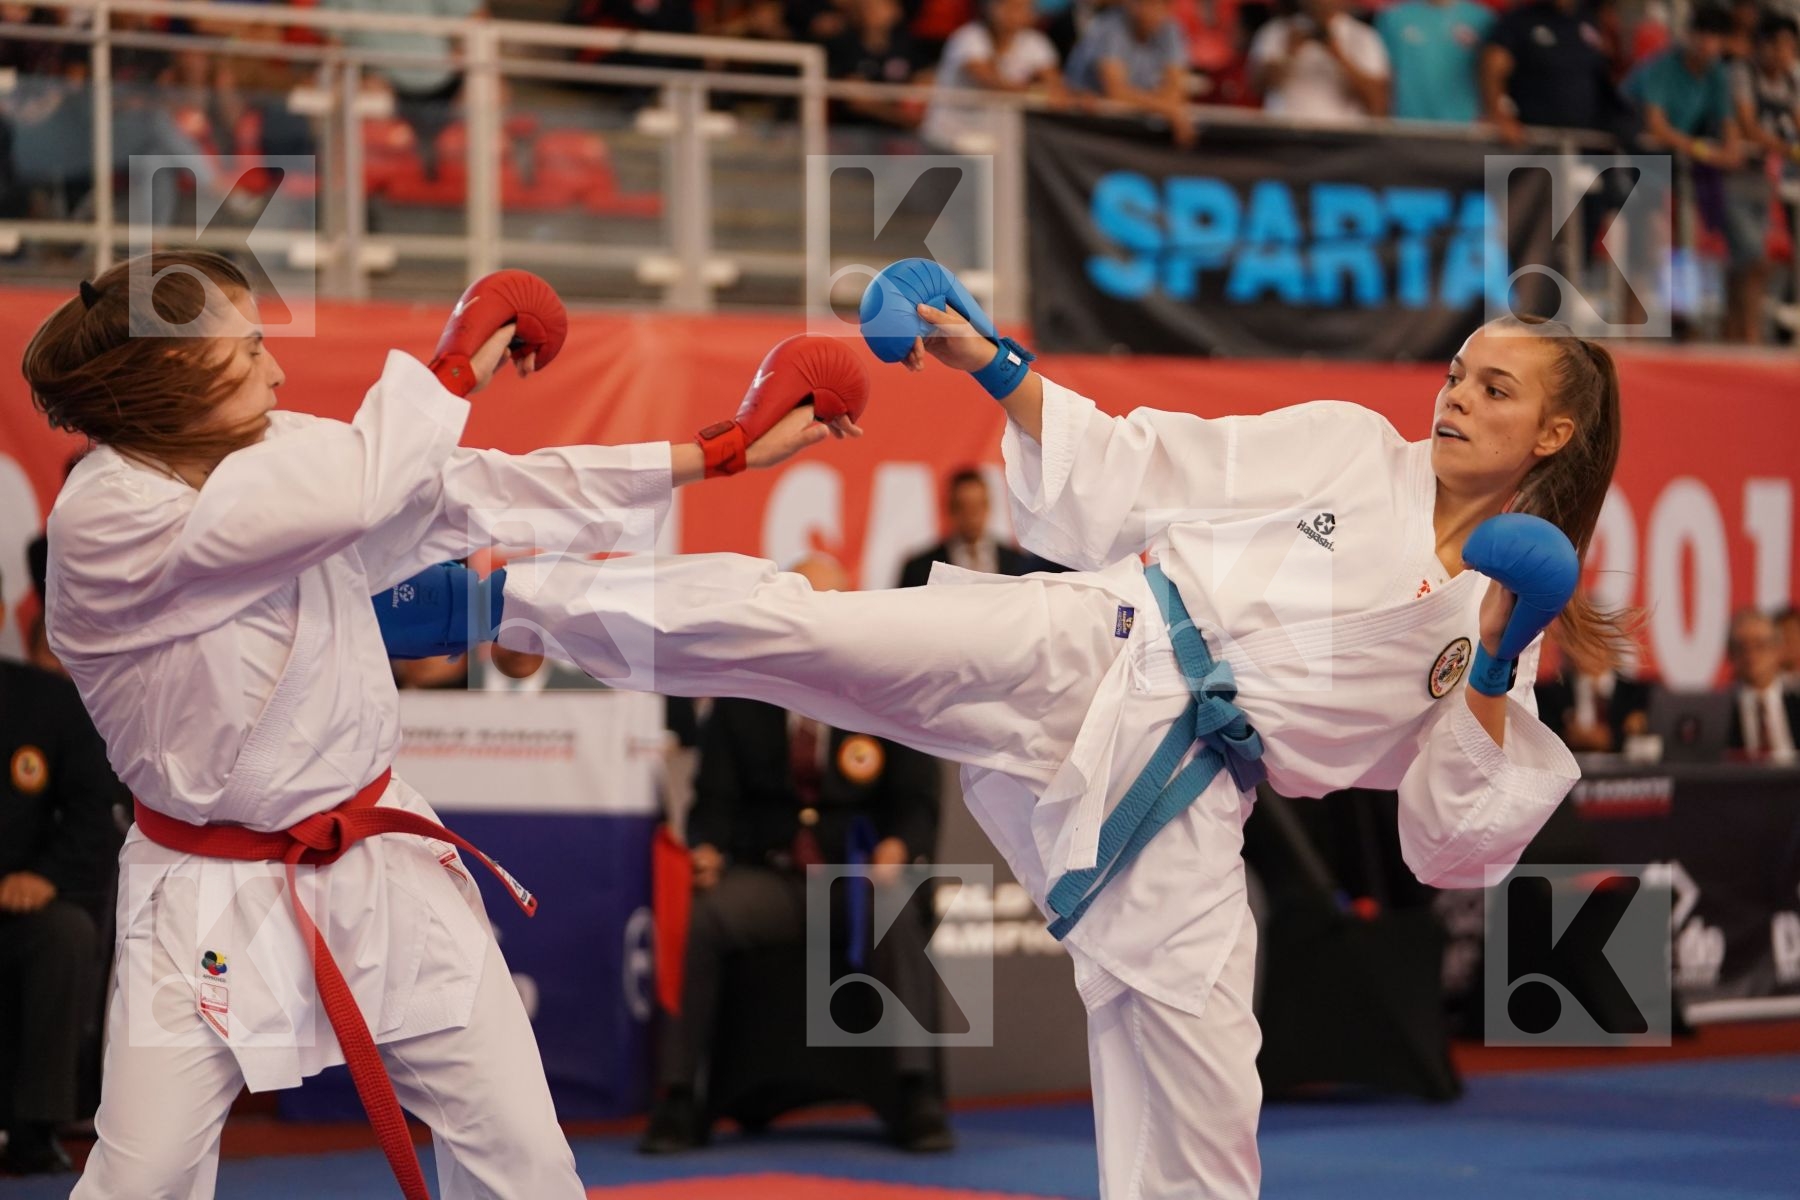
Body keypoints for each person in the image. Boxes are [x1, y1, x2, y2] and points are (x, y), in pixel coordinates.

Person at [486, 258, 1618, 1198]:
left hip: (1197, 797)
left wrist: (1506, 651)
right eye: (1459, 372)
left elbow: (1453, 843)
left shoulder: (1499, 618)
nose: (1457, 396)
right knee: (814, 636)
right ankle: (517, 599)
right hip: (1098, 638)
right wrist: (985, 356)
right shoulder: (1346, 447)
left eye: (1496, 390)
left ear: (1554, 432)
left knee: (1209, 1105)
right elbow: (1141, 466)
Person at [24, 250, 861, 1200]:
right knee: (144, 1181)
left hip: (380, 866)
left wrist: (718, 453)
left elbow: (474, 488)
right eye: (251, 346)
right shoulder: (106, 520)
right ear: (175, 373)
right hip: (204, 893)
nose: (277, 369)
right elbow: (362, 489)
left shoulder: (274, 445)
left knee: (527, 1163)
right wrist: (456, 361)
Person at [641, 555, 951, 1154]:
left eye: (828, 605)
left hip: (858, 881)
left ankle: (916, 1094)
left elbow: (917, 801)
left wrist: (898, 846)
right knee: (702, 915)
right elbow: (714, 801)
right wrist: (705, 848)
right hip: (771, 879)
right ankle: (678, 1098)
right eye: (802, 603)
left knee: (895, 903)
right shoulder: (741, 693)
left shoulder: (884, 691)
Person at [0, 570, 127, 1176]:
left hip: (14, 903)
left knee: (65, 933)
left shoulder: (45, 702)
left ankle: (33, 1128)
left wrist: (44, 877)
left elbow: (91, 811)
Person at [1622, 7, 1752, 340]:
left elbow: (1727, 122)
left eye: (1716, 38)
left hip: (1675, 166)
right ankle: (1630, 333)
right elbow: (1656, 124)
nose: (1709, 44)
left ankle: (1682, 321)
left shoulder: (1716, 74)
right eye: (1703, 35)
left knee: (1686, 242)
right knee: (1646, 244)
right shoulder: (1663, 67)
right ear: (1690, 35)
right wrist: (1706, 150)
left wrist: (1732, 147)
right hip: (1632, 158)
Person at [1726, 13, 1800, 344]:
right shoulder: (1741, 73)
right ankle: (1749, 336)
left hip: (1762, 178)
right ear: (1764, 46)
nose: (1787, 55)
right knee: (1752, 258)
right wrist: (1788, 149)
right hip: (1728, 175)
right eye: (1782, 46)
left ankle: (1739, 335)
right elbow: (1747, 126)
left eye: (1792, 48)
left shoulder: (1789, 81)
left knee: (1752, 262)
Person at [920, 0, 1065, 152]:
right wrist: (1036, 92)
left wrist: (1050, 90)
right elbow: (990, 81)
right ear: (990, 9)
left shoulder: (1035, 42)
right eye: (1009, 7)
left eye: (1023, 8)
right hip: (950, 136)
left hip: (999, 139)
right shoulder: (968, 37)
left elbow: (1055, 85)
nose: (1015, 14)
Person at [1064, 0, 1197, 144]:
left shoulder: (1171, 29)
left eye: (1159, 4)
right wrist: (1169, 110)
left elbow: (1176, 89)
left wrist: (1166, 107)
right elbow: (1116, 91)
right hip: (1084, 127)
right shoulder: (1109, 26)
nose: (1148, 10)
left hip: (1129, 128)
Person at [1247, 0, 1391, 122]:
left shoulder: (1364, 37)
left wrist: (1338, 55)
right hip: (1285, 139)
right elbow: (1256, 87)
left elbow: (1378, 105)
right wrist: (1288, 54)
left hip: (1344, 144)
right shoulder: (1276, 31)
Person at [898, 467, 1035, 587]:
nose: (971, 516)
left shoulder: (1017, 563)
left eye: (976, 507)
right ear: (951, 509)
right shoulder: (919, 568)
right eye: (963, 507)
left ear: (987, 507)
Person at [1374, 0, 1496, 124]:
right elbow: (1383, 76)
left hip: (1466, 124)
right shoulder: (1393, 16)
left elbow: (1491, 74)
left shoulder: (1483, 18)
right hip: (1406, 124)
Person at [1534, 623, 1651, 752]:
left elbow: (1644, 734)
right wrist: (1571, 737)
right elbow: (1543, 734)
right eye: (1582, 645)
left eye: (1597, 644)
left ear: (1610, 650)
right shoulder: (1552, 692)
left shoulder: (1635, 693)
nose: (1590, 651)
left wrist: (1610, 738)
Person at [1726, 608, 1799, 761]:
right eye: (1741, 647)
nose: (1751, 655)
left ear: (1778, 649)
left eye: (1760, 645)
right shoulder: (1721, 712)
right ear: (1730, 654)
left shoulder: (1796, 702)